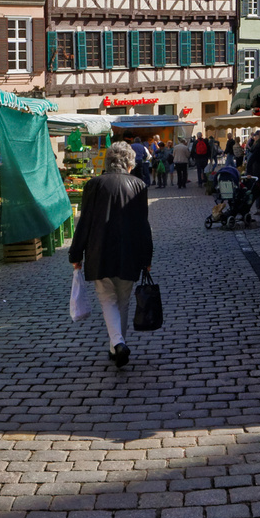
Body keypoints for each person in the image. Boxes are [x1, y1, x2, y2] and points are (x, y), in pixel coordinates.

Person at [68, 141, 153, 367]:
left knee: (107, 299)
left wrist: (76, 253)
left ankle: (117, 345)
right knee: (123, 301)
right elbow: (143, 225)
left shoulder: (94, 185)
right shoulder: (138, 185)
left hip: (99, 250)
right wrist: (147, 257)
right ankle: (117, 345)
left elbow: (84, 222)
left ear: (108, 161)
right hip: (130, 252)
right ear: (129, 162)